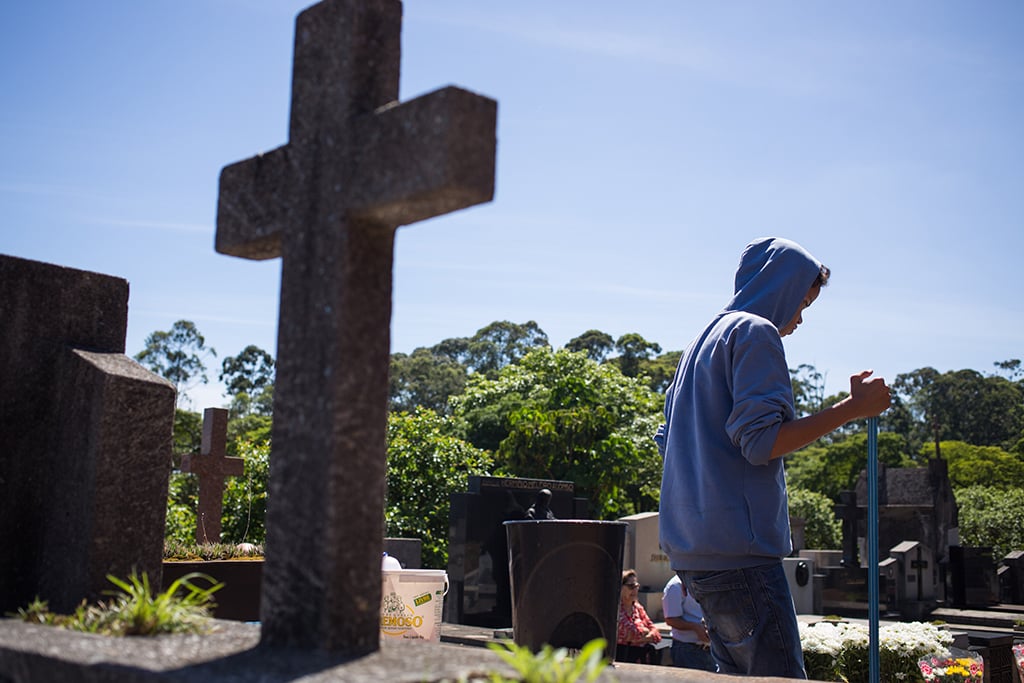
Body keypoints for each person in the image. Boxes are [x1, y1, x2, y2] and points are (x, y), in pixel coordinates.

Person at [655, 237, 891, 678]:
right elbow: (761, 443)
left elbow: (667, 442)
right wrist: (852, 409)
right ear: (779, 289)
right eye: (801, 302)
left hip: (692, 554)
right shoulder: (755, 332)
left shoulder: (698, 344)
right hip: (741, 557)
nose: (799, 319)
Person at [662, 574, 716, 671]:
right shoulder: (675, 586)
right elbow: (671, 619)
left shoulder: (704, 580)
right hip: (687, 650)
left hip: (711, 648)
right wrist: (696, 628)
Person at [615, 569, 662, 664]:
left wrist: (645, 633)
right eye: (631, 586)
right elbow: (629, 634)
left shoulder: (638, 608)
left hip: (641, 660)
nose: (635, 590)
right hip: (623, 659)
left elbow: (656, 633)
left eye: (636, 586)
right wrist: (646, 633)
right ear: (620, 587)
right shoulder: (616, 609)